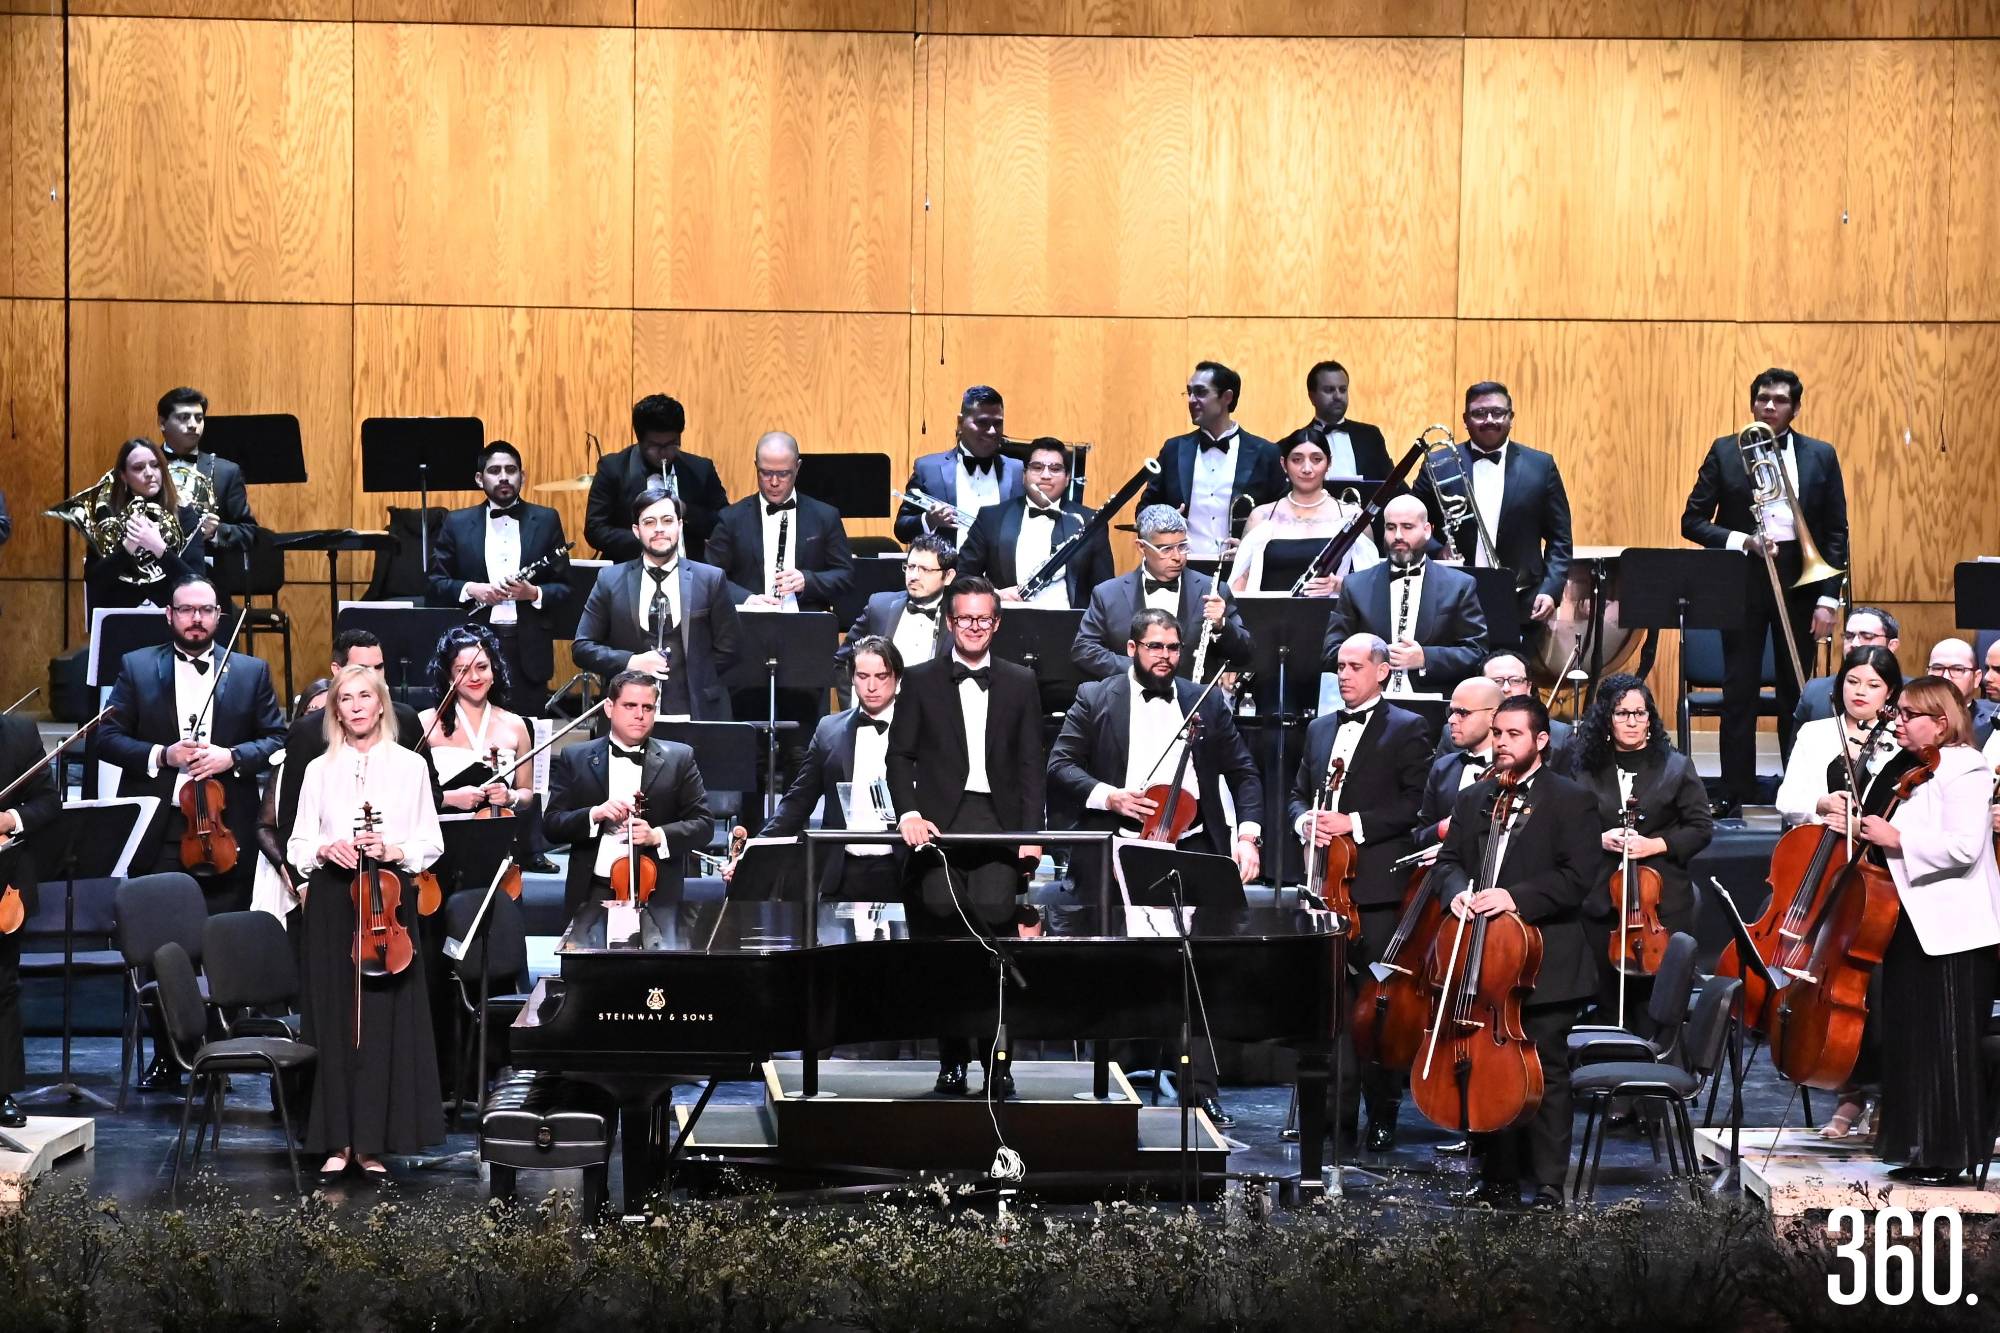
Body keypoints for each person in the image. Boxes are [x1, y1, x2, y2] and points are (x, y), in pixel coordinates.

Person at [1047, 609, 1263, 1125]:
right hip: (1119, 849)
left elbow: (1244, 773)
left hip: (1190, 847)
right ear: (1131, 649)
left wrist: (1248, 836)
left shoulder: (1204, 700)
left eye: (1172, 647)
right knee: (1118, 970)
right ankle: (1111, 1087)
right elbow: (1060, 765)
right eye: (1154, 647)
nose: (1164, 657)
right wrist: (1110, 796)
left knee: (1194, 971)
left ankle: (1200, 1090)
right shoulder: (1095, 697)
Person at [1429, 694, 1599, 1210]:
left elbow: (1577, 878)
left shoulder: (1572, 799)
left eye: (1513, 734)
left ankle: (1548, 1183)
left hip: (1546, 961)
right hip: (1484, 961)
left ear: (1541, 741)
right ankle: (1497, 1177)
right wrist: (1456, 892)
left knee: (1545, 1069)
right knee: (1487, 1065)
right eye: (1498, 733)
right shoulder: (1473, 798)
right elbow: (1448, 862)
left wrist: (1514, 897)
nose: (1501, 743)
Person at [1829, 676, 2000, 1183]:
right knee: (1913, 1041)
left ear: (1941, 722)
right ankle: (1919, 1148)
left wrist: (1896, 837)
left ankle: (1949, 1157)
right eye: (1898, 712)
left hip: (1953, 931)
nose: (1897, 721)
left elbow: (1964, 848)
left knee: (1946, 1044)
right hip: (1911, 921)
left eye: (1908, 714)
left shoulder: (1966, 768)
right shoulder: (1914, 766)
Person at [887, 577, 1045, 1098]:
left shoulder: (1021, 681)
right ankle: (952, 1061)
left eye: (983, 618)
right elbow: (899, 756)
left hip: (1000, 824)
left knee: (995, 937)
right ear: (950, 622)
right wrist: (908, 812)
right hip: (939, 826)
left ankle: (997, 1064)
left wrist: (1031, 834)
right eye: (964, 618)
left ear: (996, 623)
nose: (974, 627)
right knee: (943, 939)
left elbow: (1031, 763)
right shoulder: (921, 679)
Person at [287, 664, 446, 1176]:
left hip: (387, 901)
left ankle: (373, 1142)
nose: (355, 706)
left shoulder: (410, 766)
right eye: (345, 699)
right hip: (334, 903)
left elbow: (431, 842)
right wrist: (323, 849)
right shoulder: (318, 769)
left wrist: (394, 848)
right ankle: (337, 1141)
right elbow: (297, 844)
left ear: (381, 705)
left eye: (364, 697)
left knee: (381, 1022)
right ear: (335, 710)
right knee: (335, 1020)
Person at [1288, 634, 1433, 1150]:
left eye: (1354, 666)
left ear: (1381, 671)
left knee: (1378, 1008)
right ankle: (1334, 1113)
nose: (1344, 675)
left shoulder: (1408, 728)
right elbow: (1298, 794)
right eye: (1340, 667)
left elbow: (1415, 805)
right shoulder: (1318, 729)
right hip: (1322, 892)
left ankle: (1383, 1110)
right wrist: (1304, 821)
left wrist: (1354, 822)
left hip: (1375, 893)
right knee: (1330, 1009)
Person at [1681, 368, 1849, 813]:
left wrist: (1828, 597)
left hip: (1801, 581)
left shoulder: (1821, 455)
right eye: (1762, 399)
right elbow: (1692, 521)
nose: (1769, 406)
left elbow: (1836, 531)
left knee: (1797, 691)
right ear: (1752, 402)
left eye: (1780, 400)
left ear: (1796, 408)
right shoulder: (1725, 451)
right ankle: (1733, 790)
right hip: (1742, 581)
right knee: (1739, 690)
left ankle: (1799, 790)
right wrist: (1744, 541)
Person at [1769, 645, 1908, 1140]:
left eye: (1873, 685)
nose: (1860, 692)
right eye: (1852, 681)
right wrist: (1821, 802)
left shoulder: (1898, 740)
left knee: (1875, 988)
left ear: (1890, 693)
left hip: (1874, 875)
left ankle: (1879, 1095)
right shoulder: (1816, 733)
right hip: (1819, 865)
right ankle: (1846, 1093)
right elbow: (1787, 799)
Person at [98, 576, 285, 915]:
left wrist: (232, 757)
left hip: (228, 830)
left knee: (226, 935)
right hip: (160, 829)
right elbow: (106, 739)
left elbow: (277, 740)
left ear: (218, 615)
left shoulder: (251, 672)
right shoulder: (137, 667)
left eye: (205, 610)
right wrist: (162, 755)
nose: (196, 619)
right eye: (186, 609)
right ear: (169, 614)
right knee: (160, 931)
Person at [706, 431, 855, 792]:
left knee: (800, 750)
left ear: (797, 469)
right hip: (748, 642)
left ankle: (796, 826)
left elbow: (846, 575)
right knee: (749, 750)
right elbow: (710, 577)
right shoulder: (731, 518)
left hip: (804, 643)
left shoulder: (824, 516)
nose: (774, 482)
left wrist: (807, 581)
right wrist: (747, 599)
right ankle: (750, 826)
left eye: (783, 474)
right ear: (756, 468)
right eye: (766, 473)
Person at [1564, 675, 1713, 1033]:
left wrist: (1655, 845)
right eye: (1622, 714)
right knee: (1605, 1000)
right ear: (1606, 719)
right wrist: (1599, 839)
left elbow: (1700, 828)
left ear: (1650, 718)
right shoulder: (1583, 768)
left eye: (1640, 713)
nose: (1632, 722)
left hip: (1660, 902)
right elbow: (1561, 824)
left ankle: (1653, 1061)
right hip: (1600, 900)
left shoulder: (1675, 766)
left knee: (1653, 1005)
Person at [545, 671, 714, 922]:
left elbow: (704, 825)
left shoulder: (680, 758)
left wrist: (656, 835)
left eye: (648, 707)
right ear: (609, 707)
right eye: (630, 706)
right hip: (592, 891)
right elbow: (551, 825)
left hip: (657, 893)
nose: (639, 715)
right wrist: (594, 814)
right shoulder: (576, 757)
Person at [427, 441, 573, 715]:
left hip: (528, 647)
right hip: (473, 645)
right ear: (479, 478)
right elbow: (435, 583)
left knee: (528, 728)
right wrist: (473, 589)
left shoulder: (546, 519)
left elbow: (565, 588)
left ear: (522, 476)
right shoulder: (457, 523)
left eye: (511, 470)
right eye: (495, 471)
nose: (504, 477)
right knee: (473, 725)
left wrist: (533, 593)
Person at [1414, 382, 1572, 635]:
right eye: (1479, 413)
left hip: (1521, 601)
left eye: (1498, 412)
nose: (1489, 420)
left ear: (1511, 417)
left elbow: (1560, 539)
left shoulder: (1541, 466)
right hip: (1451, 599)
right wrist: (1437, 550)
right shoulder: (1438, 463)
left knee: (1512, 663)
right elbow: (1411, 523)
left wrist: (1550, 590)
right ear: (1465, 420)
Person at [572, 487, 742, 720]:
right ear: (636, 530)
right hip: (629, 716)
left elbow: (730, 649)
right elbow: (582, 647)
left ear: (679, 526)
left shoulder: (711, 579)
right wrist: (631, 661)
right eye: (649, 522)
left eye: (667, 520)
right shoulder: (609, 580)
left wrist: (695, 677)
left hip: (697, 713)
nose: (659, 529)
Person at [761, 636, 909, 901]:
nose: (871, 686)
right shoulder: (829, 730)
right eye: (863, 676)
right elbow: (798, 801)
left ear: (897, 678)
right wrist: (756, 850)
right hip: (842, 871)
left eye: (881, 676)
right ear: (851, 678)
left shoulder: (920, 728)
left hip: (904, 869)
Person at [1321, 494, 1488, 699]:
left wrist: (1425, 658)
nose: (1398, 535)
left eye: (1407, 527)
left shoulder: (1459, 585)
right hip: (1371, 703)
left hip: (1434, 707)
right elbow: (1331, 653)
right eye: (1391, 527)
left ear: (1427, 530)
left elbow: (1477, 652)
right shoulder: (1355, 586)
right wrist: (1374, 658)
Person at [1073, 506, 1250, 682]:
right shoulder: (1108, 594)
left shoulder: (1214, 590)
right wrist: (1139, 668)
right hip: (1129, 696)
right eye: (1166, 549)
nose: (1177, 557)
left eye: (1182, 546)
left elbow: (1245, 654)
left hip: (1195, 697)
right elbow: (1084, 650)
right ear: (1141, 547)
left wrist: (1222, 625)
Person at [1139, 361, 1284, 569]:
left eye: (1200, 392)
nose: (1191, 400)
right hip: (1179, 567)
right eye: (1189, 392)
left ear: (1227, 397)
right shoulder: (1173, 449)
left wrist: (1252, 545)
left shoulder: (1265, 453)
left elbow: (1281, 516)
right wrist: (1162, 520)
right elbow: (1145, 509)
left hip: (1241, 568)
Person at [959, 437, 1113, 608]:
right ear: (1024, 475)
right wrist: (994, 595)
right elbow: (963, 578)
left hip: (1070, 624)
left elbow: (1105, 591)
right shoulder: (991, 518)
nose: (1046, 475)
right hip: (1006, 621)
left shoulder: (1090, 522)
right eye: (1037, 467)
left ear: (1067, 478)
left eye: (1055, 469)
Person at [1229, 427, 1378, 597]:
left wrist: (1340, 585)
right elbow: (1240, 584)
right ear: (1283, 464)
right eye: (1297, 460)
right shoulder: (1260, 516)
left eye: (1316, 459)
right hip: (1269, 612)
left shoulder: (1353, 516)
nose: (1307, 468)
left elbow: (1371, 585)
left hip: (1334, 613)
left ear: (1329, 463)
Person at [585, 394, 729, 564]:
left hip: (688, 571)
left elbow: (724, 524)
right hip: (630, 569)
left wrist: (686, 511)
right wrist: (647, 538)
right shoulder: (613, 468)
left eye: (672, 444)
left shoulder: (701, 469)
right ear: (640, 440)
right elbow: (595, 530)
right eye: (655, 446)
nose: (664, 453)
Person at [0, 713, 59, 1127]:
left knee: (3, 988)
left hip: (4, 882)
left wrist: (9, 820)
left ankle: (1, 1091)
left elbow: (48, 803)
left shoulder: (18, 733)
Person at [81, 439, 209, 613]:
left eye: (155, 465)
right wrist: (127, 548)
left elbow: (197, 584)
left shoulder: (185, 515)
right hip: (120, 617)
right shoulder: (106, 517)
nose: (149, 473)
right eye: (138, 468)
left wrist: (158, 547)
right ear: (123, 476)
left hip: (173, 617)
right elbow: (94, 582)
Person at [893, 386, 1024, 546]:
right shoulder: (928, 469)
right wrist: (929, 520)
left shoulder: (1017, 470)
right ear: (960, 423)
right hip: (947, 562)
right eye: (982, 422)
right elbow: (902, 530)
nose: (991, 431)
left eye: (997, 423)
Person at [155, 386, 258, 565]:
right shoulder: (141, 467)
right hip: (151, 571)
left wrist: (217, 531)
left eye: (199, 418)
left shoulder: (226, 472)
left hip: (208, 573)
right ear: (162, 422)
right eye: (184, 417)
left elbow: (250, 533)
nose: (193, 424)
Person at [1416, 676, 1505, 848]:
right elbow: (1419, 836)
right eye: (1451, 712)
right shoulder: (1443, 768)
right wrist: (1442, 829)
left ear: (1493, 716)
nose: (1451, 720)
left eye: (1462, 713)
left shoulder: (1514, 768)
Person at [843, 533, 954, 668]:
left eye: (925, 570)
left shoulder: (960, 616)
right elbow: (843, 660)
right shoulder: (878, 607)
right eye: (911, 567)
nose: (914, 576)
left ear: (948, 576)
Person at [1793, 607, 1900, 726]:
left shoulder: (1911, 694)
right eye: (1849, 636)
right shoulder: (1815, 691)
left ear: (1892, 645)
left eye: (1867, 636)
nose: (1854, 643)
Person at [1298, 360, 1393, 488]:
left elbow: (1393, 484)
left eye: (1343, 390)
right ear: (1311, 397)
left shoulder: (1370, 436)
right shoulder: (1293, 444)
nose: (1338, 396)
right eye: (1329, 390)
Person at [1925, 639, 1998, 747]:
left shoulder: (1992, 725)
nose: (1945, 677)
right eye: (1937, 668)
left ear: (1976, 678)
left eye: (1958, 669)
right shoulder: (1906, 719)